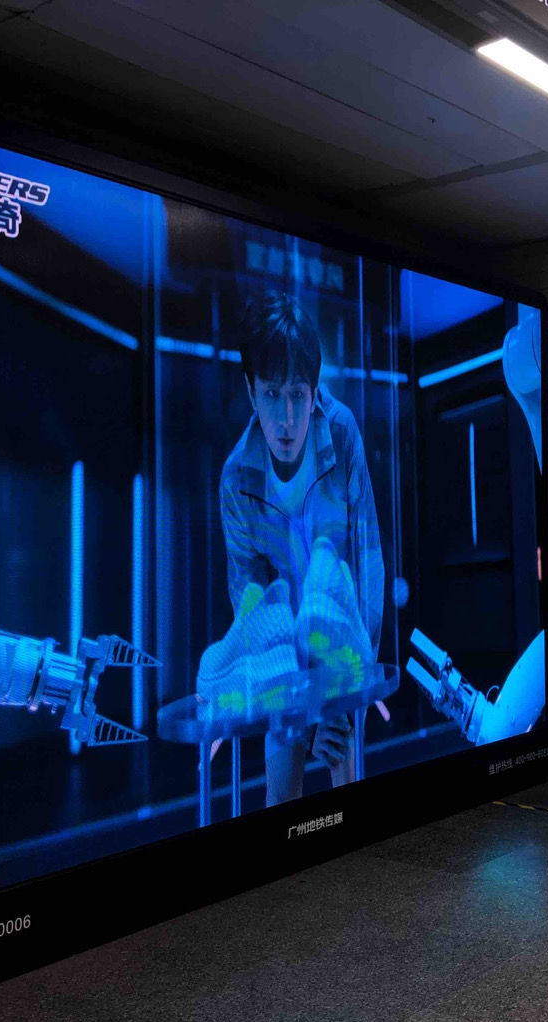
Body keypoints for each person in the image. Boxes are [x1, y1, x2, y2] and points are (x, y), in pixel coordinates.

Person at [217, 291, 384, 806]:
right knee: (281, 792)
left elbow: (368, 562)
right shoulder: (236, 479)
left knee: (344, 762)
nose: (286, 417)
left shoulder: (342, 432)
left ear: (313, 392)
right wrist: (297, 703)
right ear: (251, 391)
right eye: (272, 393)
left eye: (297, 393)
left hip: (343, 639)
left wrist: (347, 686)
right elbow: (251, 607)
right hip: (283, 660)